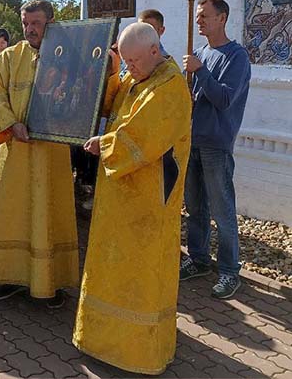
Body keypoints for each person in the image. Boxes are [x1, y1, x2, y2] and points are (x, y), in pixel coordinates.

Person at [73, 23, 191, 374]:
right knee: (108, 268)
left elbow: (146, 134)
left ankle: (138, 353)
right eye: (125, 62)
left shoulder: (171, 85)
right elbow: (112, 99)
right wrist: (109, 73)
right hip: (117, 194)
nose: (129, 68)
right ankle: (99, 340)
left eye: (133, 61)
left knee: (140, 274)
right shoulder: (138, 75)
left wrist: (104, 144)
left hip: (148, 201)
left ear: (155, 51)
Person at [0, 0, 78, 309]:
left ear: (50, 21)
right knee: (12, 210)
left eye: (36, 23)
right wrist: (11, 123)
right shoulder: (8, 57)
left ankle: (51, 281)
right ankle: (10, 276)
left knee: (50, 211)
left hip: (52, 151)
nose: (30, 29)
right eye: (26, 23)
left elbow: (80, 94)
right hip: (16, 150)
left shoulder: (68, 58)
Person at [180, 0, 251, 299]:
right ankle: (198, 259)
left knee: (222, 210)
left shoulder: (237, 57)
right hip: (192, 141)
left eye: (205, 16)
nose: (199, 21)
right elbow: (193, 99)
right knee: (195, 207)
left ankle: (229, 271)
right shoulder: (198, 53)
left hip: (216, 144)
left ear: (222, 18)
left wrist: (201, 72)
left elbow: (224, 99)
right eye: (197, 16)